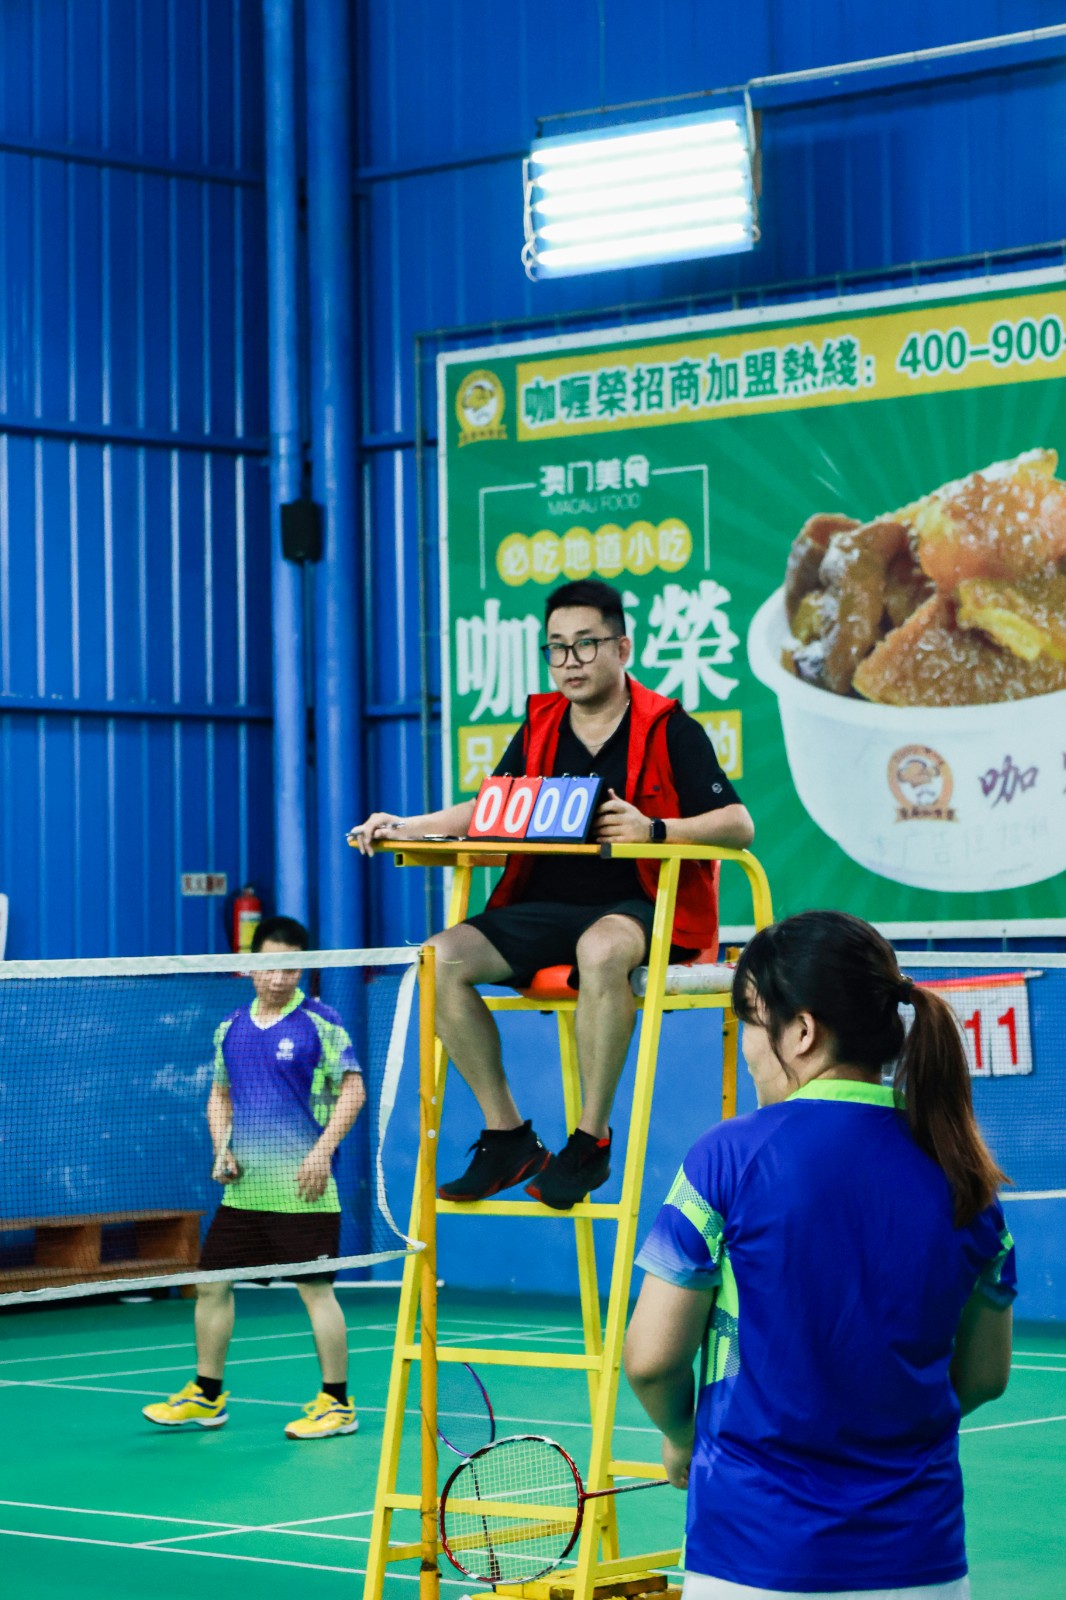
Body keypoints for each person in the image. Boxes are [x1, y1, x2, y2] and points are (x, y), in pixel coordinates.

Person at [623, 910, 1015, 1600]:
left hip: (755, 1556)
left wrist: (684, 1434)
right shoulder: (965, 1172)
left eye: (750, 1021)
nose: (747, 1047)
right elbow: (983, 1378)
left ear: (801, 1032)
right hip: (923, 1561)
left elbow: (652, 1361)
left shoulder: (728, 1157)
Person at [350, 578, 754, 1210]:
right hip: (544, 909)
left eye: (586, 644)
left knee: (600, 950)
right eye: (557, 647)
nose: (570, 661)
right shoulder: (540, 727)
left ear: (622, 648)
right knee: (439, 960)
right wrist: (407, 825)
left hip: (638, 908)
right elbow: (490, 810)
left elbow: (738, 824)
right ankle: (508, 1135)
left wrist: (655, 830)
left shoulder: (668, 726)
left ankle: (589, 1142)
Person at [143, 916, 367, 1441]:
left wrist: (322, 1152)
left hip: (304, 1190)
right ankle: (206, 1395)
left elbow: (353, 1090)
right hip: (245, 1191)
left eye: (291, 967)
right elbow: (220, 1095)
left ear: (303, 969)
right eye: (270, 965)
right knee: (211, 1284)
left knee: (315, 1291)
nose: (279, 977)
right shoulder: (231, 1028)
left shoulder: (321, 1021)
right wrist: (221, 1147)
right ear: (250, 965)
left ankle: (338, 1404)